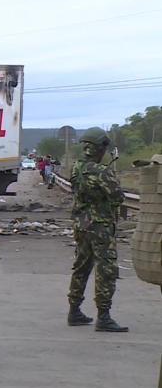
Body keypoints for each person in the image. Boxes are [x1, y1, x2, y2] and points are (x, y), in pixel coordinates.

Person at [66, 127, 128, 332]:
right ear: (99, 148)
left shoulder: (76, 168)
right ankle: (104, 315)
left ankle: (74, 310)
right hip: (100, 226)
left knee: (81, 266)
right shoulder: (103, 172)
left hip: (81, 224)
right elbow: (117, 197)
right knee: (106, 270)